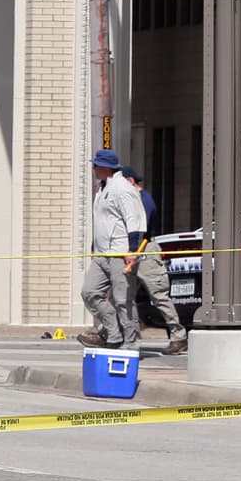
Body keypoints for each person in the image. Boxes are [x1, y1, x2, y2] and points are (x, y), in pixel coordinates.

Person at [77, 149, 145, 350]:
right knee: (89, 291)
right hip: (101, 253)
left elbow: (134, 219)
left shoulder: (122, 188)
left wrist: (132, 250)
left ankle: (130, 342)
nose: (94, 169)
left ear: (106, 167)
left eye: (96, 165)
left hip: (120, 252)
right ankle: (113, 332)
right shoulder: (102, 188)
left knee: (123, 299)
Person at [120, 166, 188, 355]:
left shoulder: (144, 200)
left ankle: (178, 335)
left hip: (146, 251)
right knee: (123, 295)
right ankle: (111, 333)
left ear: (131, 181)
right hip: (129, 251)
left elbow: (142, 227)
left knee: (158, 295)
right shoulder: (130, 199)